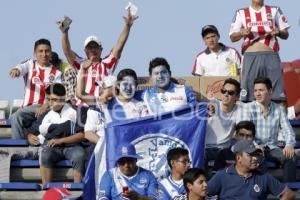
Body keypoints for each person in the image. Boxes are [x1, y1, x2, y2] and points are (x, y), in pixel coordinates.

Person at [57, 10, 138, 105]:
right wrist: (64, 32)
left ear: (101, 49)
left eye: (95, 47)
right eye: (89, 47)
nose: (92, 49)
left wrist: (127, 26)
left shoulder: (107, 63)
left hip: (103, 105)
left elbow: (119, 45)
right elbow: (67, 51)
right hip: (82, 107)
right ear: (85, 51)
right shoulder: (80, 63)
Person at [229, 0, 290, 102]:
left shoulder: (274, 10)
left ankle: (280, 117)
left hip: (270, 55)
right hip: (250, 56)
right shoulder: (241, 12)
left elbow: (285, 34)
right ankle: (249, 118)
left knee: (277, 94)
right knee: (247, 95)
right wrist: (241, 33)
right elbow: (232, 37)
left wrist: (278, 32)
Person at [27, 83, 85, 184]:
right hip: (52, 148)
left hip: (72, 147)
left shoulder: (77, 111)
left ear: (63, 98)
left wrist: (60, 140)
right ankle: (47, 190)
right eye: (48, 99)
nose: (50, 103)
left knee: (79, 155)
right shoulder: (45, 114)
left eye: (53, 99)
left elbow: (82, 135)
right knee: (45, 153)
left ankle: (78, 190)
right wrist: (29, 136)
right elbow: (31, 131)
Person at [241, 77, 296, 182]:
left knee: (291, 157)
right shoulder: (248, 108)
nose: (257, 94)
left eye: (261, 90)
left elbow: (288, 130)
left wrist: (289, 145)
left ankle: (289, 191)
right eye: (255, 90)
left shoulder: (279, 109)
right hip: (254, 148)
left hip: (272, 148)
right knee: (259, 159)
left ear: (270, 91)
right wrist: (256, 146)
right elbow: (245, 134)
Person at [9, 39, 62, 139]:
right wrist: (16, 70)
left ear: (51, 52)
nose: (44, 54)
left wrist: (45, 105)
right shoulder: (30, 65)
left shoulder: (57, 73)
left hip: (47, 109)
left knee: (17, 117)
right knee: (16, 117)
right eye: (40, 51)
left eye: (47, 51)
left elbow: (57, 94)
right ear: (34, 53)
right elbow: (21, 68)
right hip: (28, 110)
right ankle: (17, 151)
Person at [208, 140, 295, 199]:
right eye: (250, 155)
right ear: (238, 158)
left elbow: (289, 194)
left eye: (256, 155)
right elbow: (202, 194)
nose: (255, 158)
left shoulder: (264, 177)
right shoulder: (222, 176)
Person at [204, 78, 242, 173]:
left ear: (237, 97)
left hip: (224, 149)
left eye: (230, 92)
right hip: (206, 148)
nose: (226, 94)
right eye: (224, 91)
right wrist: (209, 109)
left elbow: (243, 129)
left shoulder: (239, 111)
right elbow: (210, 104)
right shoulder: (215, 103)